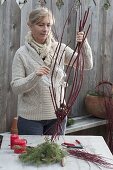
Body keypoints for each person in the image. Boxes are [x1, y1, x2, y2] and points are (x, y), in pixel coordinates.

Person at [11, 7, 93, 135]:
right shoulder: (21, 54)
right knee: (33, 154)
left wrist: (84, 44)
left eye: (48, 25)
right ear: (30, 25)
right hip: (30, 120)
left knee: (55, 154)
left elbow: (86, 65)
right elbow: (16, 87)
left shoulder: (59, 48)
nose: (45, 29)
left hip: (58, 116)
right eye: (40, 24)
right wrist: (35, 75)